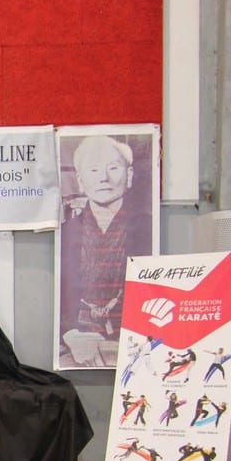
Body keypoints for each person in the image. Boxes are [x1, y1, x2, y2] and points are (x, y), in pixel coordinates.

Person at [58, 135, 152, 366]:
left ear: (129, 175)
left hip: (134, 341)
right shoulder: (66, 232)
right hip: (76, 340)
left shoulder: (147, 228)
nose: (103, 178)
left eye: (113, 168)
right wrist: (69, 333)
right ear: (80, 180)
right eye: (93, 170)